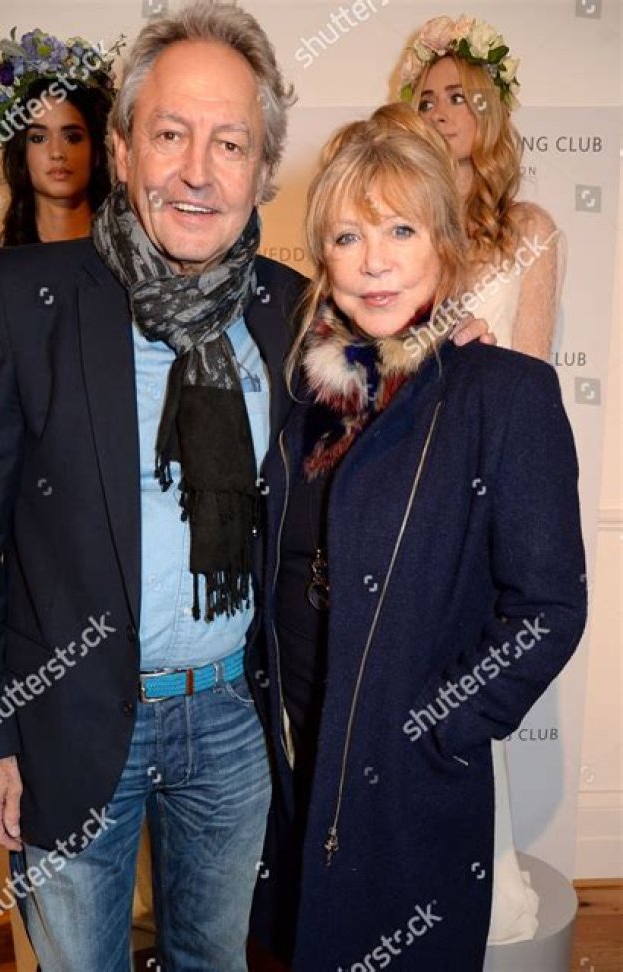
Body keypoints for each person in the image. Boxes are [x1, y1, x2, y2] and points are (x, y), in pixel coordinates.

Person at [0, 5, 489, 970]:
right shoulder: (19, 299)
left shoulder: (288, 307)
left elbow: (382, 391)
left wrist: (449, 352)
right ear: (121, 149)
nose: (198, 171)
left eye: (230, 143)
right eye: (171, 135)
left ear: (262, 167)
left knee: (215, 960)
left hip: (232, 722)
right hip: (66, 723)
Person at [250, 116, 586, 971]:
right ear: (323, 259)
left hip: (407, 779)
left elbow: (548, 608)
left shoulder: (503, 393)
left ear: (444, 240)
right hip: (290, 760)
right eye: (348, 237)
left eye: (401, 230)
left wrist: (439, 726)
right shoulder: (301, 391)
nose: (375, 261)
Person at [398, 14, 564, 359]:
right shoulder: (398, 229)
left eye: (457, 98)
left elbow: (531, 372)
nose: (438, 114)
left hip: (495, 394)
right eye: (427, 103)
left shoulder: (530, 230)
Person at [0, 27, 120, 273]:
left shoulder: (129, 257)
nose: (57, 152)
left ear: (95, 150)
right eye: (38, 138)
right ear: (20, 152)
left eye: (72, 137)